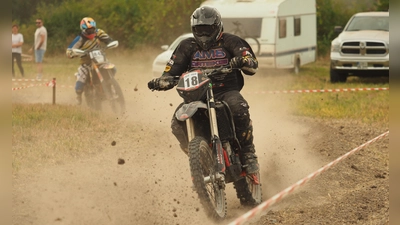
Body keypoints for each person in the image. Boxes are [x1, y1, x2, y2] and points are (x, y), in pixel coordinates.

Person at [147, 6, 259, 174]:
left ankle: (248, 153)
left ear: (217, 26)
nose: (204, 34)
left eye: (208, 29)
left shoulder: (232, 41)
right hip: (196, 96)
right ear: (193, 29)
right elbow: (171, 72)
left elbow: (251, 64)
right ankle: (198, 156)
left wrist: (241, 61)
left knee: (239, 108)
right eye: (200, 30)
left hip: (225, 91)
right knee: (177, 123)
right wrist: (162, 81)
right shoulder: (186, 46)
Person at [66, 17, 115, 105]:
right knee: (79, 87)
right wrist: (73, 53)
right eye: (88, 30)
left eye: (92, 29)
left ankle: (111, 87)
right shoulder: (79, 39)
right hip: (86, 62)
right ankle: (79, 96)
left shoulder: (99, 32)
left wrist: (110, 43)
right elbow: (69, 50)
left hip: (100, 59)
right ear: (83, 30)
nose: (91, 32)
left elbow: (108, 40)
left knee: (113, 69)